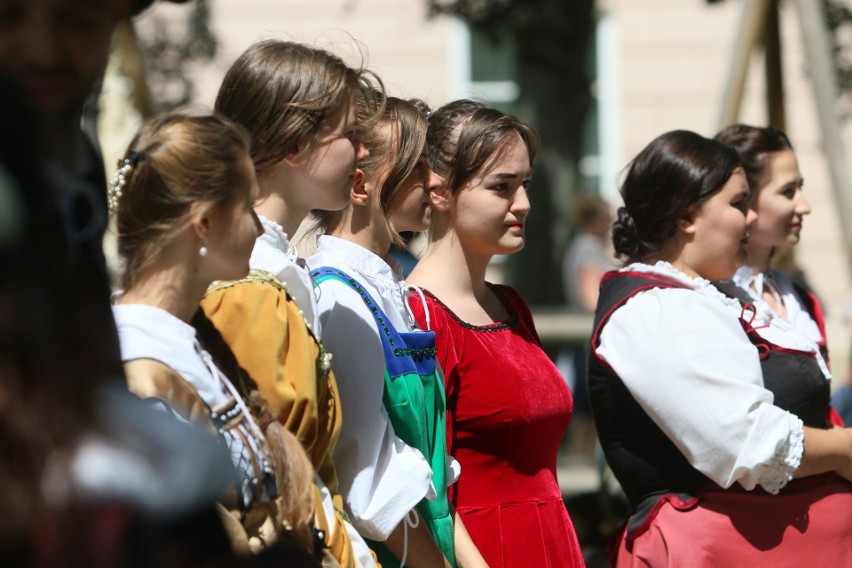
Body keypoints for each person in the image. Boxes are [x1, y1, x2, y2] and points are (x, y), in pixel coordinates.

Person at [586, 130, 852, 566]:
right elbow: (748, 442)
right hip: (712, 552)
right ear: (688, 216)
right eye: (738, 204)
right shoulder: (652, 309)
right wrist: (844, 448)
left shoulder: (706, 297)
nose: (751, 219)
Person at [200, 39, 384, 568]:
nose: (362, 151)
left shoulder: (271, 270)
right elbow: (276, 484)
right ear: (295, 144)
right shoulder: (248, 287)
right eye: (349, 133)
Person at [307, 97, 487, 567]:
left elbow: (430, 475)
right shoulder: (339, 298)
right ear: (362, 185)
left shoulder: (385, 289)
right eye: (417, 167)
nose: (433, 183)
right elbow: (369, 483)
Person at [406, 100, 585, 568]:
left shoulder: (510, 305)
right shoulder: (418, 314)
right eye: (502, 187)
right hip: (485, 552)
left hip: (550, 540)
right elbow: (422, 479)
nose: (524, 203)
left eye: (524, 184)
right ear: (440, 192)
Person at [714, 125, 827, 360]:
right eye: (788, 191)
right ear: (744, 197)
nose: (805, 206)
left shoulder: (798, 298)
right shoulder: (715, 299)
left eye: (800, 188)